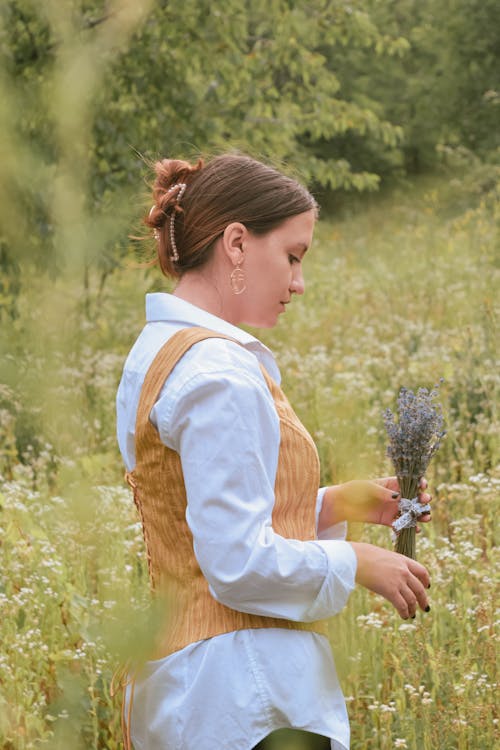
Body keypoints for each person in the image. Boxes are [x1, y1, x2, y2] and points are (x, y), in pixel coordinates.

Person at [115, 153, 432, 750]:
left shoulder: (160, 352)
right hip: (241, 696)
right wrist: (359, 563)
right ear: (236, 243)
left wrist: (336, 504)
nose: (298, 282)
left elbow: (205, 519)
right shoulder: (219, 372)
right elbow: (235, 563)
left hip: (191, 684)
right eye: (292, 256)